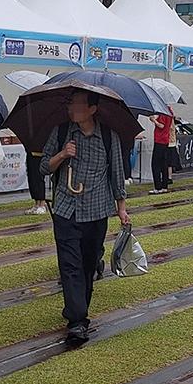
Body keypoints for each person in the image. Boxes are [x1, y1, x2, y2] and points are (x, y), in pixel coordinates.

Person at [41, 89, 130, 346]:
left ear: (92, 109)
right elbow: (44, 167)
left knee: (88, 265)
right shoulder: (61, 133)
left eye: (78, 104)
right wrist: (62, 154)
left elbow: (116, 173)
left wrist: (121, 208)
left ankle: (77, 309)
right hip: (65, 209)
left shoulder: (108, 137)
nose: (72, 109)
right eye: (71, 104)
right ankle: (77, 320)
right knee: (69, 265)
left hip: (96, 211)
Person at [150, 109, 174, 195]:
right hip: (165, 140)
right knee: (164, 164)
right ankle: (164, 186)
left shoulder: (163, 112)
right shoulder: (170, 112)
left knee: (155, 164)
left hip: (159, 140)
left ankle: (158, 187)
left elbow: (161, 125)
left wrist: (154, 120)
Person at [24, 145, 48, 216]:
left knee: (39, 178)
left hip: (40, 152)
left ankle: (42, 204)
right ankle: (37, 204)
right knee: (32, 178)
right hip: (30, 151)